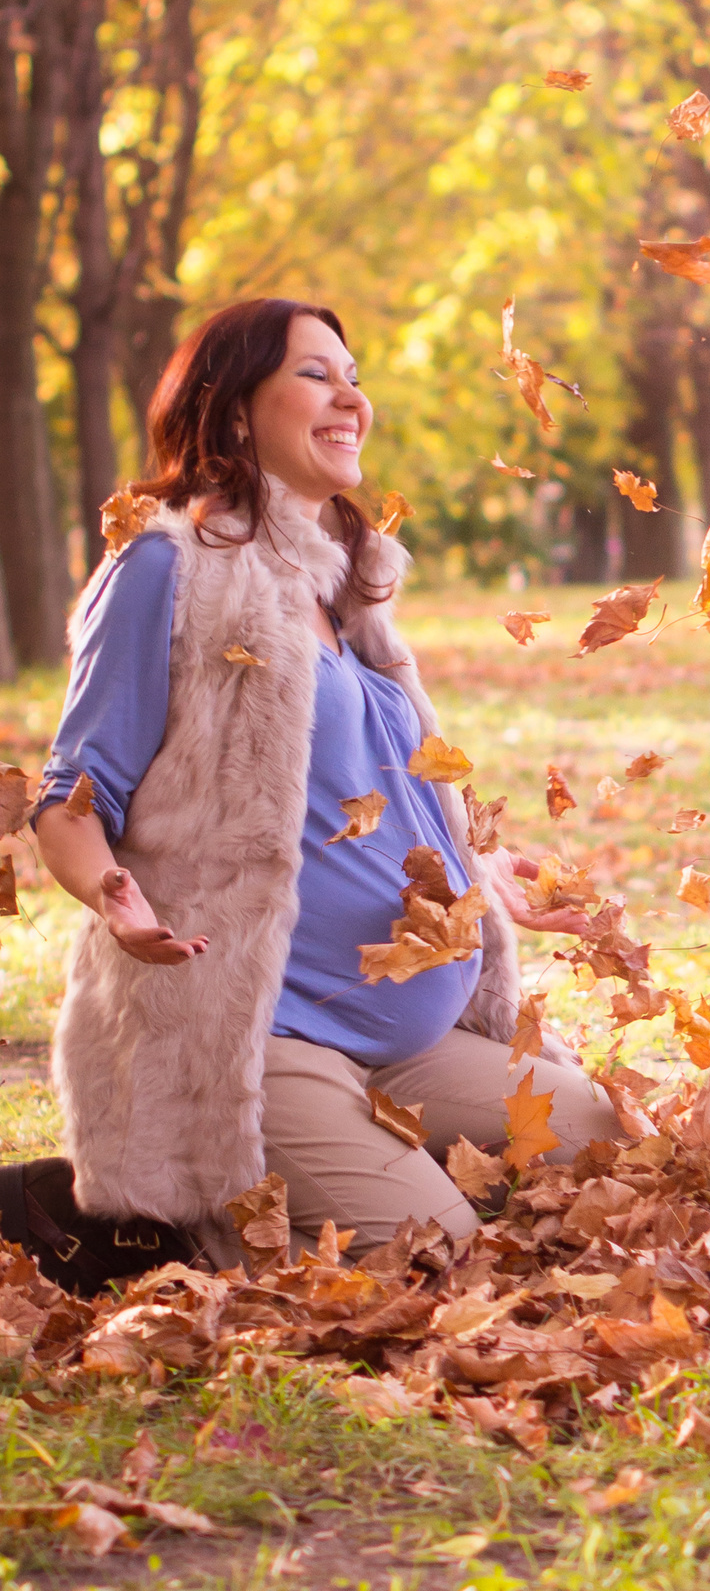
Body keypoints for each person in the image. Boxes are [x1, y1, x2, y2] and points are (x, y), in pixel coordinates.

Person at [34, 297, 620, 1263]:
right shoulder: (164, 567)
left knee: (609, 1145)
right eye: (315, 374)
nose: (350, 397)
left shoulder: (343, 588)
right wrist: (113, 896)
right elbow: (71, 794)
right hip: (263, 1036)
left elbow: (369, 793)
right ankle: (132, 1229)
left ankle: (336, 1174)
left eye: (354, 377)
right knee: (434, 1257)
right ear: (231, 411)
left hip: (409, 1044)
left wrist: (487, 872)